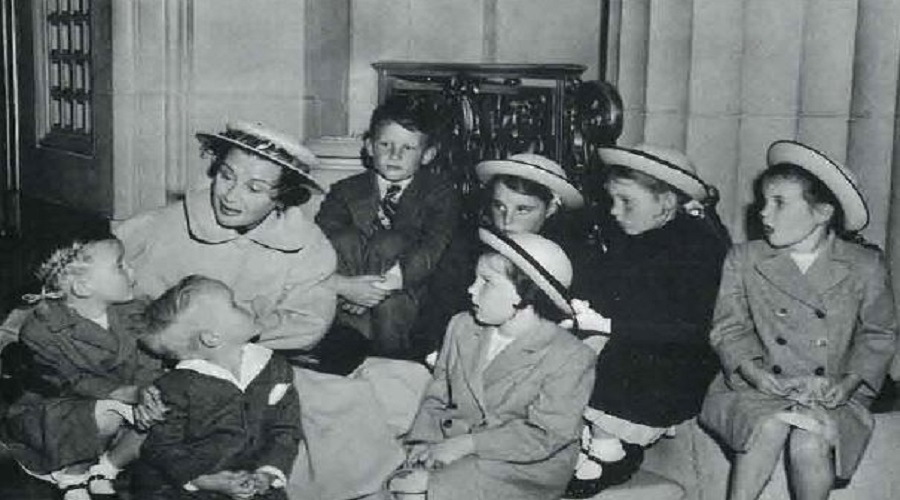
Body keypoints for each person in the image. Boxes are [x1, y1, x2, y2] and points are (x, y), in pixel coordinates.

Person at [115, 121, 431, 500]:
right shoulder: (164, 226)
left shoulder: (305, 244)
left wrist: (234, 333)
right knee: (325, 412)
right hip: (167, 372)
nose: (231, 195)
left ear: (282, 197)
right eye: (226, 176)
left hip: (261, 364)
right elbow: (117, 304)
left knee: (391, 388)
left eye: (255, 188)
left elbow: (308, 325)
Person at [700, 140, 897, 500]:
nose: (764, 213)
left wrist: (849, 383)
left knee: (809, 442)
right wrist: (754, 372)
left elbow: (878, 334)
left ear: (822, 212)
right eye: (763, 201)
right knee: (765, 428)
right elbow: (728, 328)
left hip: (834, 389)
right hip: (754, 385)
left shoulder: (865, 265)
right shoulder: (744, 259)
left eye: (779, 203)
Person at [565, 144, 731, 498]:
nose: (615, 211)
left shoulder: (697, 248)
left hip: (676, 361)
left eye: (627, 202)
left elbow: (690, 328)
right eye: (612, 200)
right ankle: (591, 444)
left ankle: (609, 450)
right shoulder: (634, 236)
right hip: (634, 341)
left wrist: (609, 328)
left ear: (666, 203)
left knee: (613, 366)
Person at [392, 227, 596, 500]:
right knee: (398, 480)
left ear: (523, 294)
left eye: (486, 282)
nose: (471, 289)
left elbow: (546, 435)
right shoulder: (462, 326)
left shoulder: (570, 355)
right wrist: (423, 441)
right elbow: (438, 394)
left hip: (526, 463)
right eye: (475, 279)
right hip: (457, 443)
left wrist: (466, 445)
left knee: (421, 488)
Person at [1, 238, 165, 500]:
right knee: (105, 414)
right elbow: (66, 380)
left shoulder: (136, 312)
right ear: (83, 286)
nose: (131, 270)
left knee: (167, 409)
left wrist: (147, 392)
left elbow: (151, 360)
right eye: (119, 266)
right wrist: (123, 393)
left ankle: (107, 467)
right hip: (61, 409)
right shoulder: (44, 328)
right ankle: (73, 474)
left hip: (128, 400)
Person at [315, 96, 461, 359]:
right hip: (348, 293)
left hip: (409, 296)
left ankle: (392, 365)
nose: (395, 155)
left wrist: (378, 289)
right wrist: (348, 288)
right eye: (385, 144)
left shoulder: (441, 194)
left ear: (427, 155)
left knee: (390, 244)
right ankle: (344, 347)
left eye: (408, 148)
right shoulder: (345, 191)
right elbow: (319, 242)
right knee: (342, 238)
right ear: (369, 147)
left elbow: (432, 248)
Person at [133, 275, 302, 500]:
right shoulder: (177, 387)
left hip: (255, 482)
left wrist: (269, 473)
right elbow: (160, 448)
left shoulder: (275, 367)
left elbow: (286, 429)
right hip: (191, 487)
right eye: (234, 305)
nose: (247, 305)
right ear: (212, 338)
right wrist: (204, 480)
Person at [419, 153, 585, 361]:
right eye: (499, 206)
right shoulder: (466, 250)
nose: (507, 221)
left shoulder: (570, 262)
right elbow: (437, 317)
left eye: (523, 210)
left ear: (551, 208)